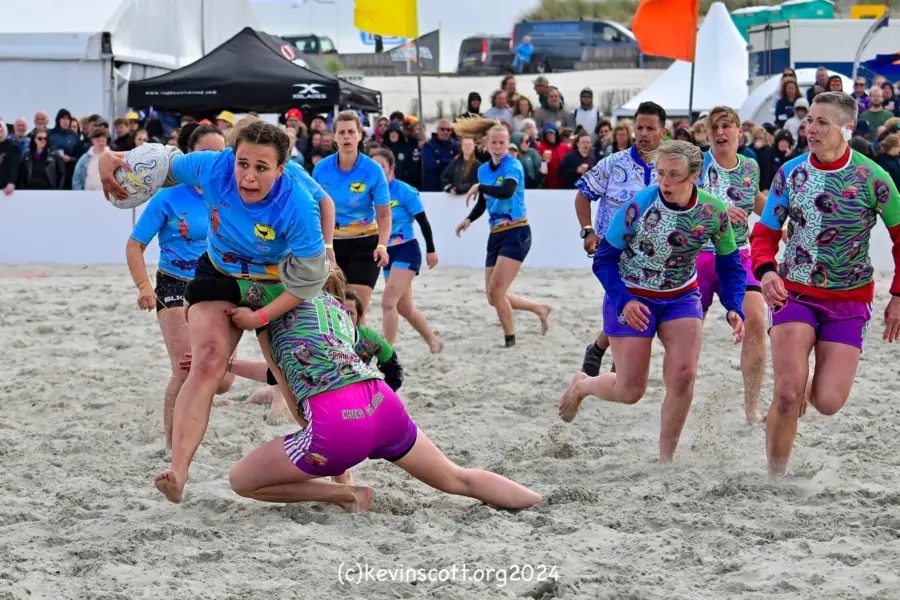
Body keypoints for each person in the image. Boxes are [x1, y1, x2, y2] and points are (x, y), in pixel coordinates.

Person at [100, 121, 330, 504]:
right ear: (231, 158)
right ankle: (178, 471)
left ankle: (340, 469)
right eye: (243, 164)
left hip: (277, 282)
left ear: (280, 169)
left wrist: (259, 317)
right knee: (204, 365)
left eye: (261, 167)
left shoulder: (298, 203)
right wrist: (113, 157)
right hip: (220, 273)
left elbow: (306, 283)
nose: (249, 176)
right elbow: (160, 161)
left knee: (290, 380)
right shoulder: (212, 167)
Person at [207, 267, 541, 511]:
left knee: (241, 480)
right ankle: (539, 501)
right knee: (458, 479)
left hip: (338, 422)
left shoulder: (272, 299)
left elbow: (282, 377)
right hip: (381, 403)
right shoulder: (336, 310)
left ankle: (347, 495)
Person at [559, 141, 746, 463]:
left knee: (685, 374)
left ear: (695, 176)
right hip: (632, 294)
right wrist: (624, 301)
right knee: (630, 391)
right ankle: (583, 385)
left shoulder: (713, 211)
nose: (665, 182)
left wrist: (734, 305)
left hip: (682, 296)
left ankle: (666, 459)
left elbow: (730, 264)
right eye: (660, 174)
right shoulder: (639, 206)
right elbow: (603, 261)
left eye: (674, 175)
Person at [749, 91, 900, 477]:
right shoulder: (790, 172)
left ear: (846, 129)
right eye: (809, 120)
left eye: (822, 122)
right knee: (786, 393)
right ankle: (776, 479)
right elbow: (765, 232)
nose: (810, 128)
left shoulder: (875, 178)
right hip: (793, 292)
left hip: (849, 300)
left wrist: (897, 296)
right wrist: (766, 271)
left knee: (829, 401)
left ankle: (803, 381)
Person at [125, 124, 238, 447]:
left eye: (222, 152)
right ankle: (173, 446)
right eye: (208, 152)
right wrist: (144, 287)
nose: (216, 159)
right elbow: (135, 246)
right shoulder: (168, 196)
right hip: (174, 284)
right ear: (189, 156)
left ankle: (200, 403)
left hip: (215, 285)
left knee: (223, 380)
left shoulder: (230, 193)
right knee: (185, 367)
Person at [575, 102, 667, 377]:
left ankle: (600, 348)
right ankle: (613, 362)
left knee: (637, 307)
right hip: (613, 253)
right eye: (639, 127)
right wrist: (587, 230)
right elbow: (583, 194)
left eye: (650, 128)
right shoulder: (613, 164)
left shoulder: (670, 168)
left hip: (653, 256)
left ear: (663, 132)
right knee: (624, 301)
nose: (643, 133)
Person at [696, 106, 769, 424]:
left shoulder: (750, 166)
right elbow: (684, 198)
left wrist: (783, 218)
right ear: (709, 134)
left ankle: (751, 409)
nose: (721, 132)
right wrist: (721, 209)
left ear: (740, 132)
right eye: (715, 127)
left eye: (727, 126)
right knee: (686, 332)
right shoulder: (698, 164)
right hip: (698, 254)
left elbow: (754, 200)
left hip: (740, 252)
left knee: (756, 321)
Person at [453, 118, 551, 347]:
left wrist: (480, 188)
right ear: (487, 144)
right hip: (495, 233)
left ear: (508, 144)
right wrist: (468, 219)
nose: (498, 147)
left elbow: (507, 191)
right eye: (494, 143)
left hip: (517, 232)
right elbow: (485, 201)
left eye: (502, 143)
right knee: (492, 296)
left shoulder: (513, 165)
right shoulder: (484, 170)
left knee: (497, 291)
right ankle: (539, 308)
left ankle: (510, 340)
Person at [313, 111, 392, 320]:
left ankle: (359, 352)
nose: (346, 137)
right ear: (334, 137)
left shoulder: (373, 170)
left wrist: (382, 246)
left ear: (360, 136)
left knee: (355, 312)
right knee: (332, 310)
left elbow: (384, 215)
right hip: (331, 244)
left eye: (351, 132)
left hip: (365, 244)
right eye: (342, 132)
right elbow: (313, 210)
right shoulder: (321, 169)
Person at [369, 149, 443, 352]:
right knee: (404, 307)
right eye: (374, 167)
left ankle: (387, 353)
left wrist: (431, 250)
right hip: (386, 253)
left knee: (387, 303)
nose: (378, 170)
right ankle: (433, 341)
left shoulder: (404, 191)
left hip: (406, 250)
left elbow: (423, 222)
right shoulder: (370, 192)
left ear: (391, 169)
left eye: (381, 166)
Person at [342, 288, 404, 391]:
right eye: (340, 311)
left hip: (358, 388)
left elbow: (394, 369)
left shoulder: (369, 339)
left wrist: (383, 395)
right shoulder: (321, 335)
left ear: (359, 315)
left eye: (350, 313)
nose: (344, 316)